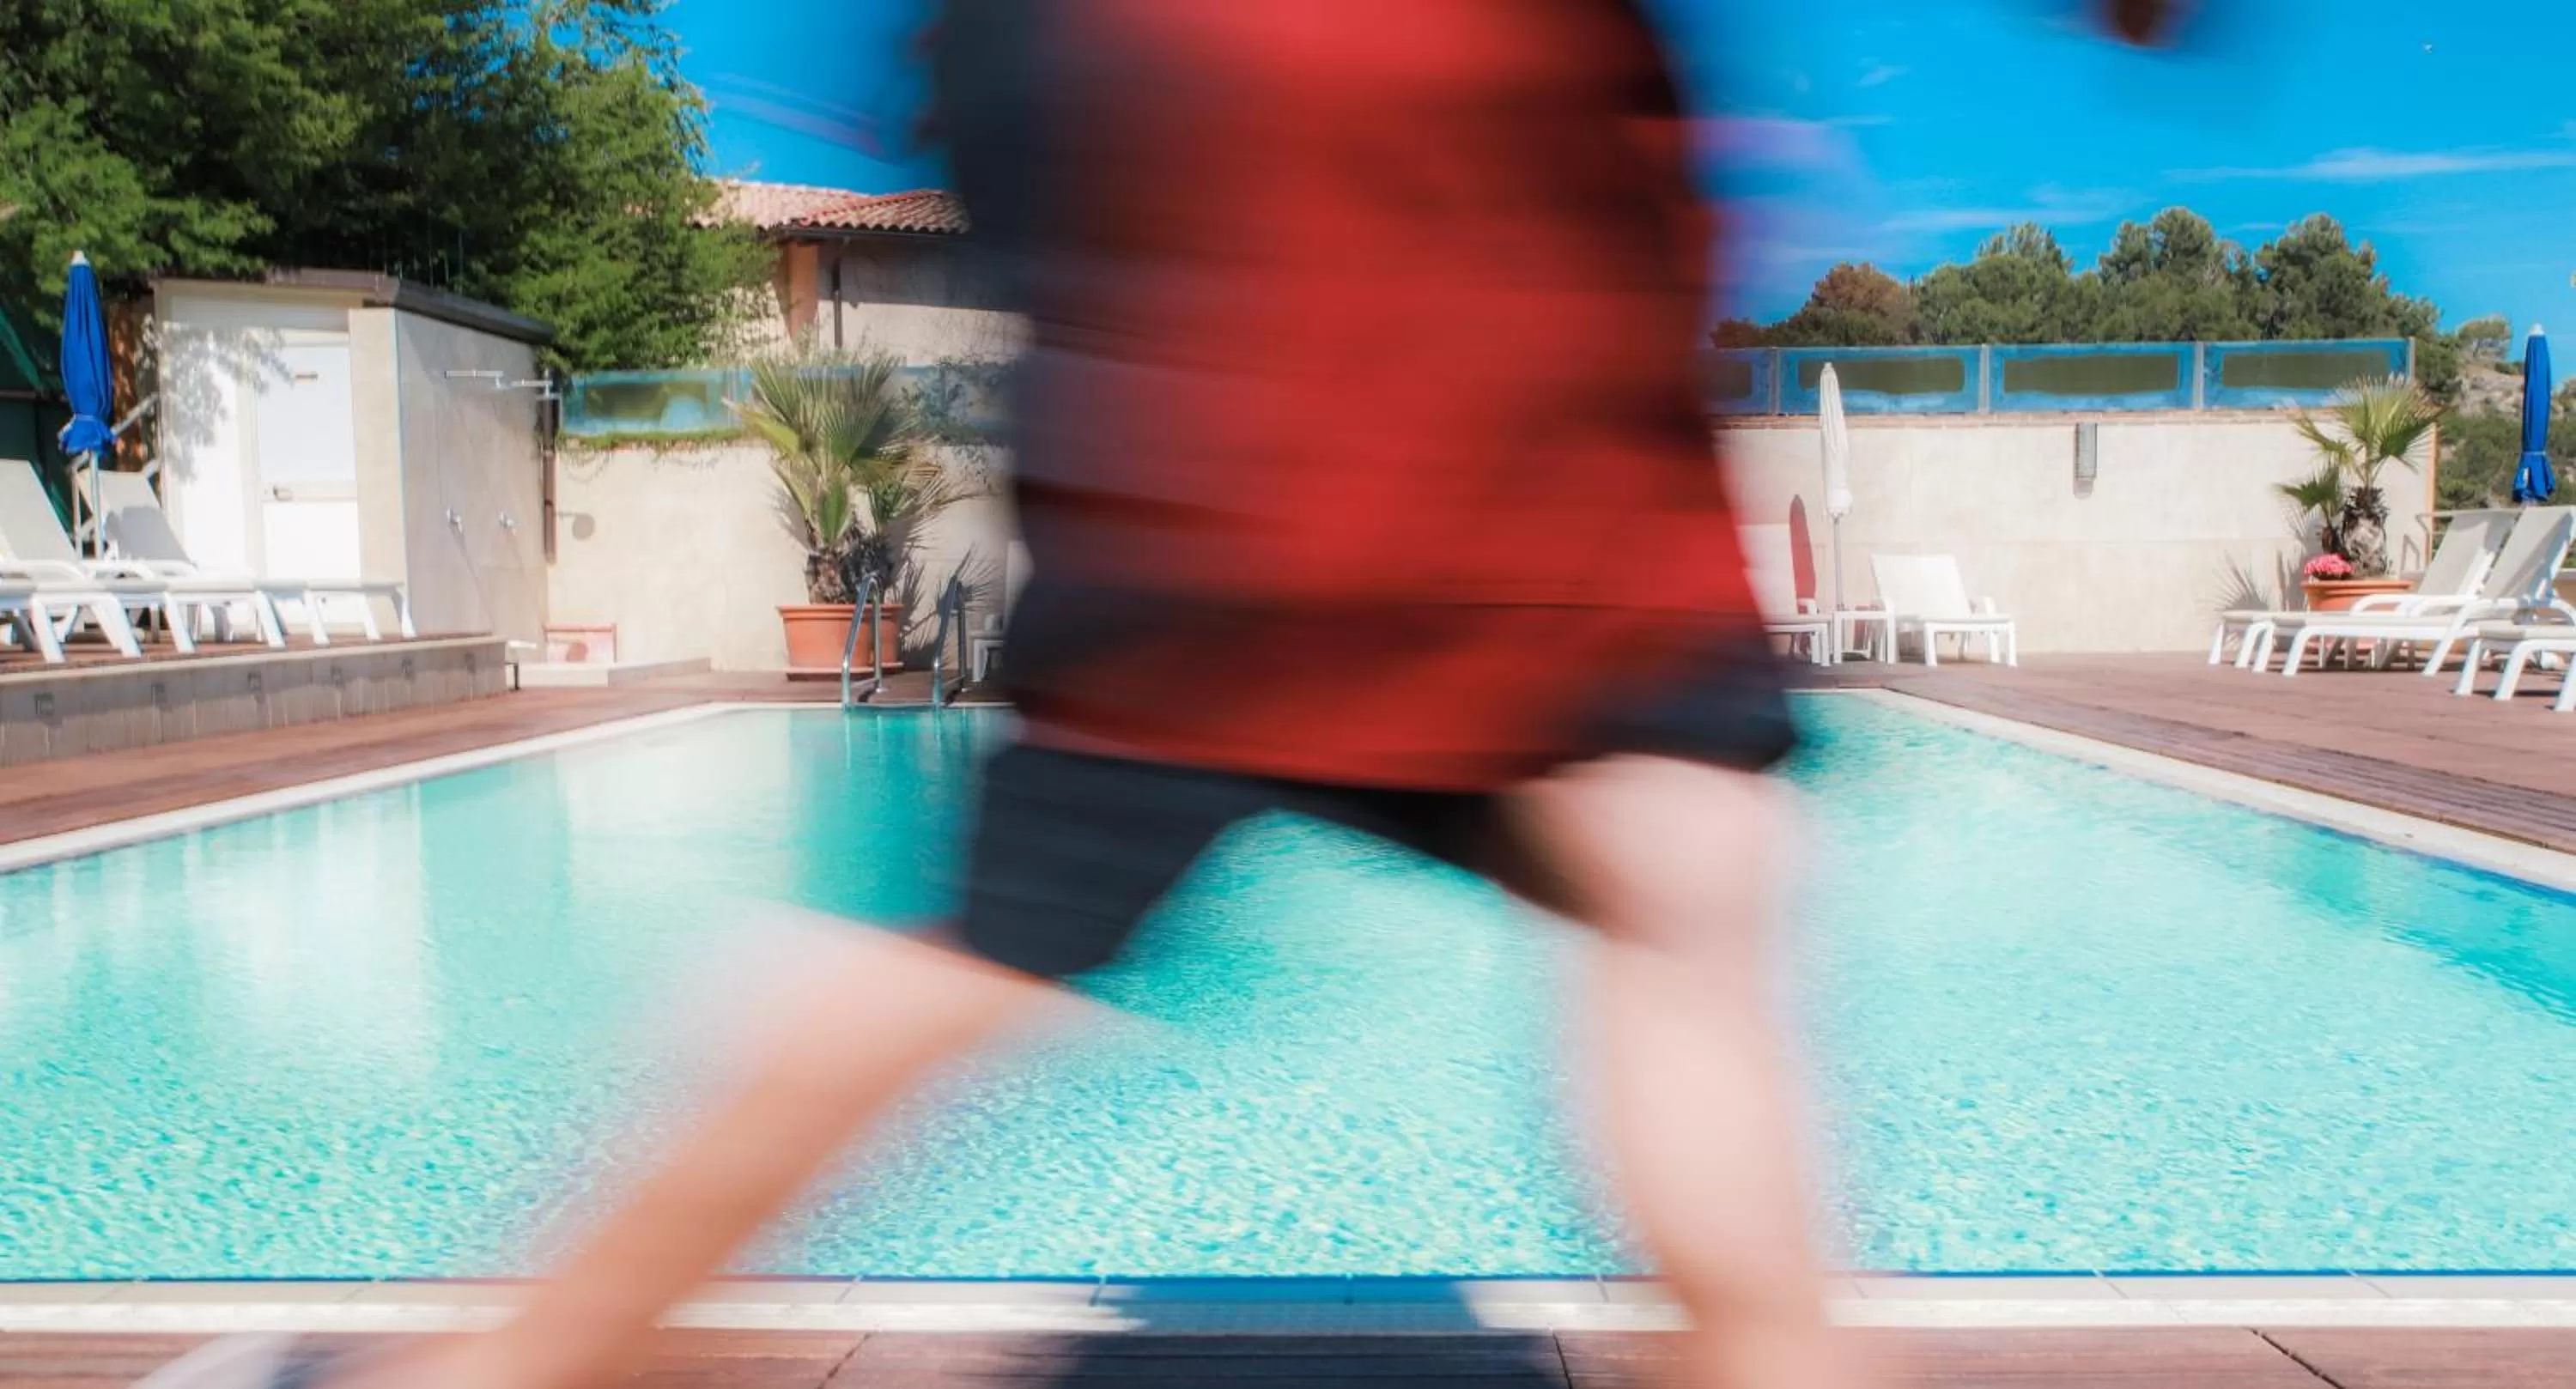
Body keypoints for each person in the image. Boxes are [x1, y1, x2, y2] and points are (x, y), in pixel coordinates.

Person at [143, 1, 2246, 1386]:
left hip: (1237, 191)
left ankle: (536, 1349)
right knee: (1671, 854)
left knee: (1612, 852)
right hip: (1409, 212)